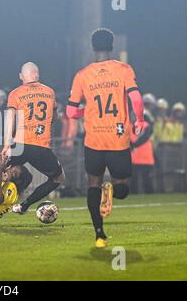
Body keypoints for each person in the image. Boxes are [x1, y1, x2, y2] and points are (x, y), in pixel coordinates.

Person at [66, 28, 145, 248]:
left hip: (93, 141)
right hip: (118, 138)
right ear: (112, 46)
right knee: (123, 189)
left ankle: (99, 234)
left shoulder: (82, 75)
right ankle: (112, 190)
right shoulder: (123, 69)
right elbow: (136, 98)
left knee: (93, 185)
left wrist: (86, 112)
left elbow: (71, 112)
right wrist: (139, 120)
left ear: (93, 47)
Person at [1, 62, 65, 214]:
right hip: (40, 146)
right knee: (58, 178)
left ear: (21, 76)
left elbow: (10, 118)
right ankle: (24, 205)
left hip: (19, 144)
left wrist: (6, 144)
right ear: (37, 75)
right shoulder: (49, 92)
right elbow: (55, 116)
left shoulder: (15, 93)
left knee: (1, 171)